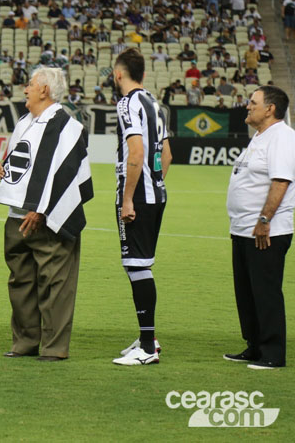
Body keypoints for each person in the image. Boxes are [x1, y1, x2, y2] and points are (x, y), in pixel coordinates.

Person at [0, 67, 93, 361]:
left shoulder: (67, 126)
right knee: (20, 282)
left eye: (29, 84)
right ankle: (24, 342)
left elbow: (65, 173)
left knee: (55, 283)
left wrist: (41, 209)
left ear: (44, 90)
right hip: (16, 215)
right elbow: (28, 164)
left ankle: (54, 347)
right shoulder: (25, 122)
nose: (25, 89)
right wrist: (4, 167)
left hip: (46, 219)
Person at [224, 86, 295, 369]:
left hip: (267, 231)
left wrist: (265, 220)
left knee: (265, 292)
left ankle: (273, 353)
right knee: (247, 293)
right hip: (244, 229)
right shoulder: (261, 137)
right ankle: (254, 346)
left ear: (270, 109)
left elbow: (281, 181)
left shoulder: (282, 137)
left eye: (253, 102)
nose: (247, 106)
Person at [110, 48, 172, 366]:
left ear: (118, 74)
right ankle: (149, 338)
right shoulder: (154, 104)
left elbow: (135, 154)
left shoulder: (127, 103)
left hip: (138, 195)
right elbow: (167, 154)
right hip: (156, 193)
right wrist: (154, 183)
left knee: (137, 265)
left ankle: (147, 346)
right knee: (139, 264)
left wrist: (128, 198)